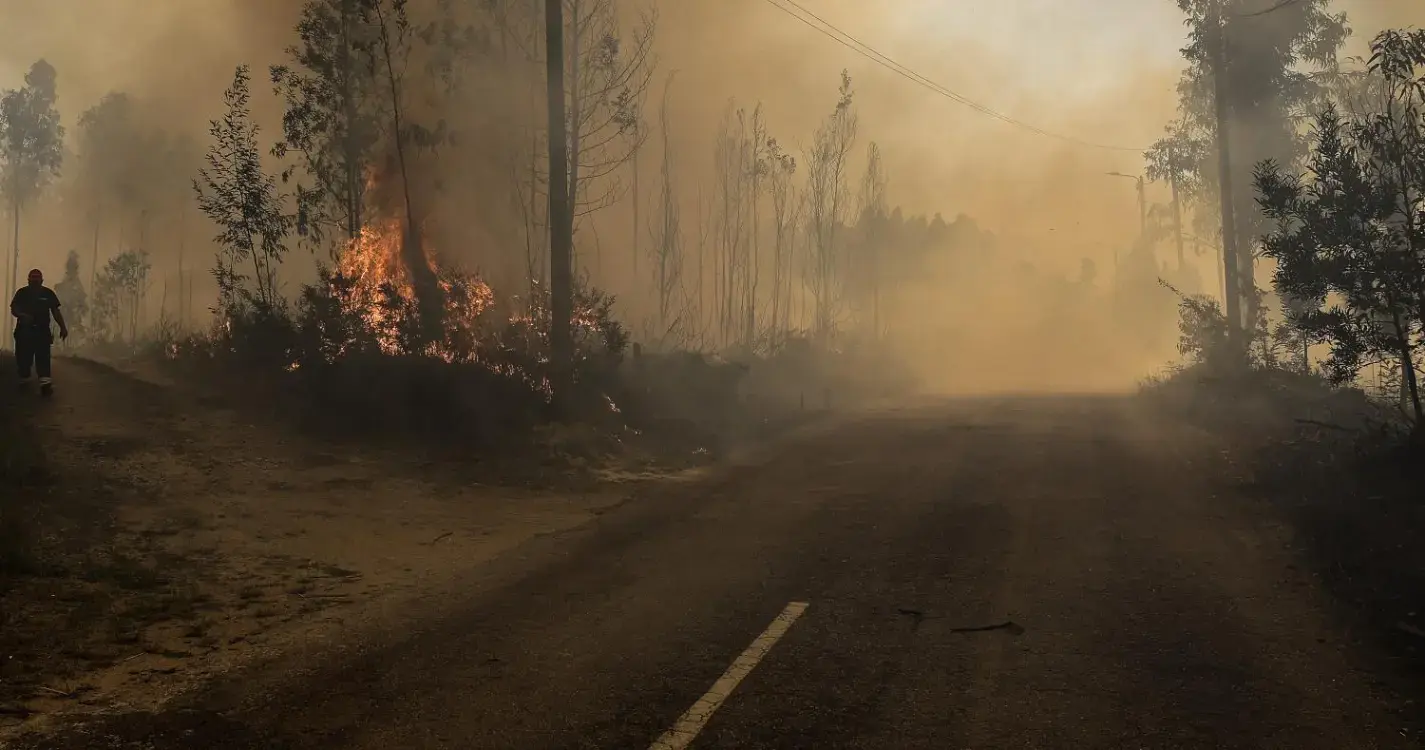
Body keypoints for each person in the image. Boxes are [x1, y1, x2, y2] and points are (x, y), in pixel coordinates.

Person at [10, 268, 68, 391]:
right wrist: (22, 315)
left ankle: (45, 384)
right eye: (32, 277)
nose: (35, 280)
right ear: (28, 280)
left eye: (37, 277)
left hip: (42, 332)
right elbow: (14, 308)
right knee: (23, 358)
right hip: (24, 332)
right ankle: (24, 380)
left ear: (42, 280)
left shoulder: (48, 293)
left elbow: (55, 312)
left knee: (43, 358)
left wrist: (63, 327)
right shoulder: (21, 293)